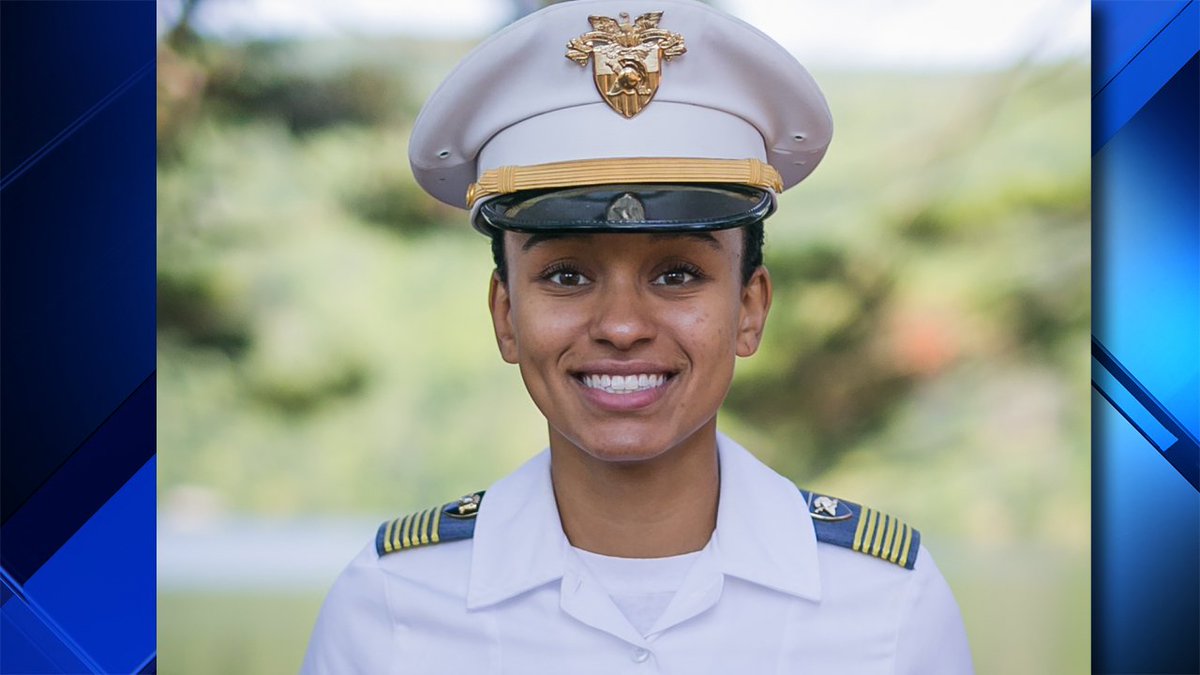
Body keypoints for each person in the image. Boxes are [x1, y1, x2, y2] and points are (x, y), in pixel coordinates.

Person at [302, 0, 973, 672]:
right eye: (567, 275)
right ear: (505, 314)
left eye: (678, 273)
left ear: (750, 308)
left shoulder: (885, 608)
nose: (621, 326)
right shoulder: (392, 610)